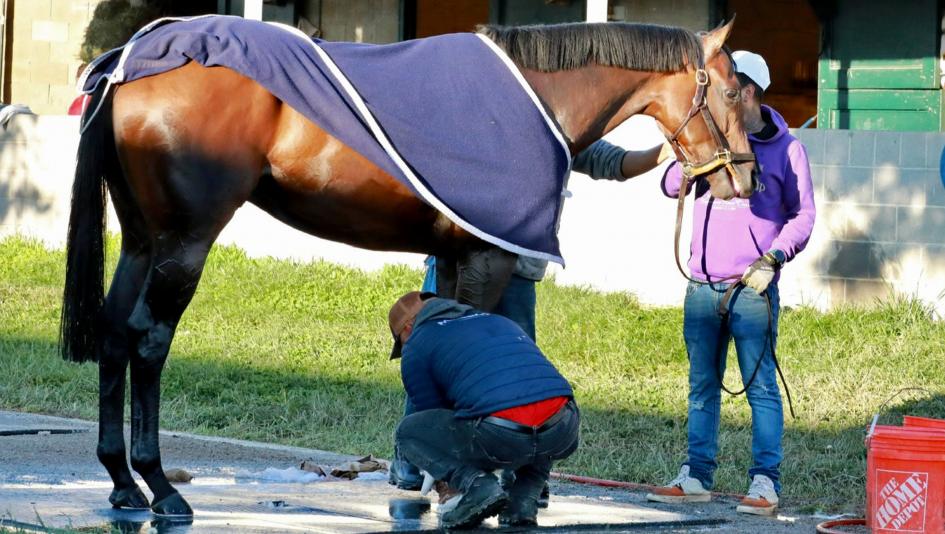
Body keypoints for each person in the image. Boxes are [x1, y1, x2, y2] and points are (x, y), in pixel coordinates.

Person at [389, 138, 671, 491]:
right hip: (456, 259)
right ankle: (416, 465)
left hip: (515, 266)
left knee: (514, 372)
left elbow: (613, 162)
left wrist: (671, 146)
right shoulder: (480, 115)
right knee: (432, 357)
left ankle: (517, 478)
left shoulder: (556, 128)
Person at [645, 51, 816, 516]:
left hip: (752, 290)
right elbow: (668, 185)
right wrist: (688, 164)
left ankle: (765, 482)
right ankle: (696, 476)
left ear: (749, 92)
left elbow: (804, 216)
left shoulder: (788, 149)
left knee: (761, 388)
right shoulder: (711, 136)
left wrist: (774, 257)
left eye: (729, 89)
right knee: (702, 386)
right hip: (702, 287)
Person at [388, 291, 580, 529]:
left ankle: (478, 486)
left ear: (408, 327)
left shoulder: (417, 344)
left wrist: (449, 480)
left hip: (502, 435)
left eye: (401, 341)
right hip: (563, 428)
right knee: (540, 405)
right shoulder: (499, 321)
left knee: (409, 433)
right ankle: (523, 500)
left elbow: (431, 421)